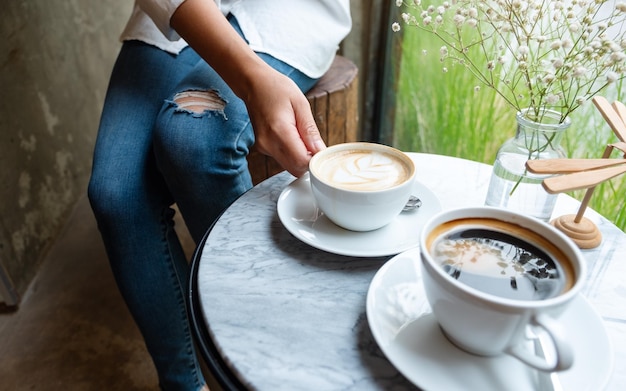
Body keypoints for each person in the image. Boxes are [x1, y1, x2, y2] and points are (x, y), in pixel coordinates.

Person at [87, 0, 351, 390]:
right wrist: (248, 78)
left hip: (287, 12)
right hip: (170, 16)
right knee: (115, 196)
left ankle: (275, 361)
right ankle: (183, 383)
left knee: (194, 142)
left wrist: (251, 77)